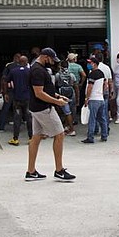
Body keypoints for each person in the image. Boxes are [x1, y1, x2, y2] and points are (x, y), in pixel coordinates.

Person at [26, 48, 75, 181]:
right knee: (59, 134)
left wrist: (58, 96)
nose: (53, 62)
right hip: (43, 108)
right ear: (45, 57)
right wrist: (56, 102)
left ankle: (31, 171)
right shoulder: (37, 71)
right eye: (52, 60)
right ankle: (59, 170)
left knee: (36, 138)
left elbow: (45, 89)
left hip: (36, 108)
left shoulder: (38, 68)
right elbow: (39, 93)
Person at [81, 56, 108, 143]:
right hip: (100, 99)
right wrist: (102, 93)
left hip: (93, 99)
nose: (88, 64)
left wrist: (86, 98)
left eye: (90, 63)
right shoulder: (101, 73)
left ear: (94, 64)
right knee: (102, 118)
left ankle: (90, 137)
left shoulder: (92, 74)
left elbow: (89, 87)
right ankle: (104, 136)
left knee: (92, 119)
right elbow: (105, 85)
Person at [7, 55, 32, 145]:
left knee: (17, 118)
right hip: (28, 97)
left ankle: (15, 139)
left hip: (17, 97)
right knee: (29, 117)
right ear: (26, 62)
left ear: (19, 62)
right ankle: (31, 138)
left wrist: (7, 92)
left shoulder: (13, 71)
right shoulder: (30, 71)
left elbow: (7, 80)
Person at [0, 53, 20, 131]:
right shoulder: (24, 67)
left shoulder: (9, 66)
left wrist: (3, 90)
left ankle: (1, 127)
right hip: (19, 91)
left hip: (10, 90)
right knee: (17, 109)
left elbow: (4, 79)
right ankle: (17, 127)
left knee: (5, 108)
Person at [55, 60, 77, 136]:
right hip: (71, 94)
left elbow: (56, 85)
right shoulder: (71, 75)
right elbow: (75, 86)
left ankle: (72, 129)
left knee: (67, 113)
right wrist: (77, 98)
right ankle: (67, 127)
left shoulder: (58, 75)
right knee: (69, 111)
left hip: (63, 95)